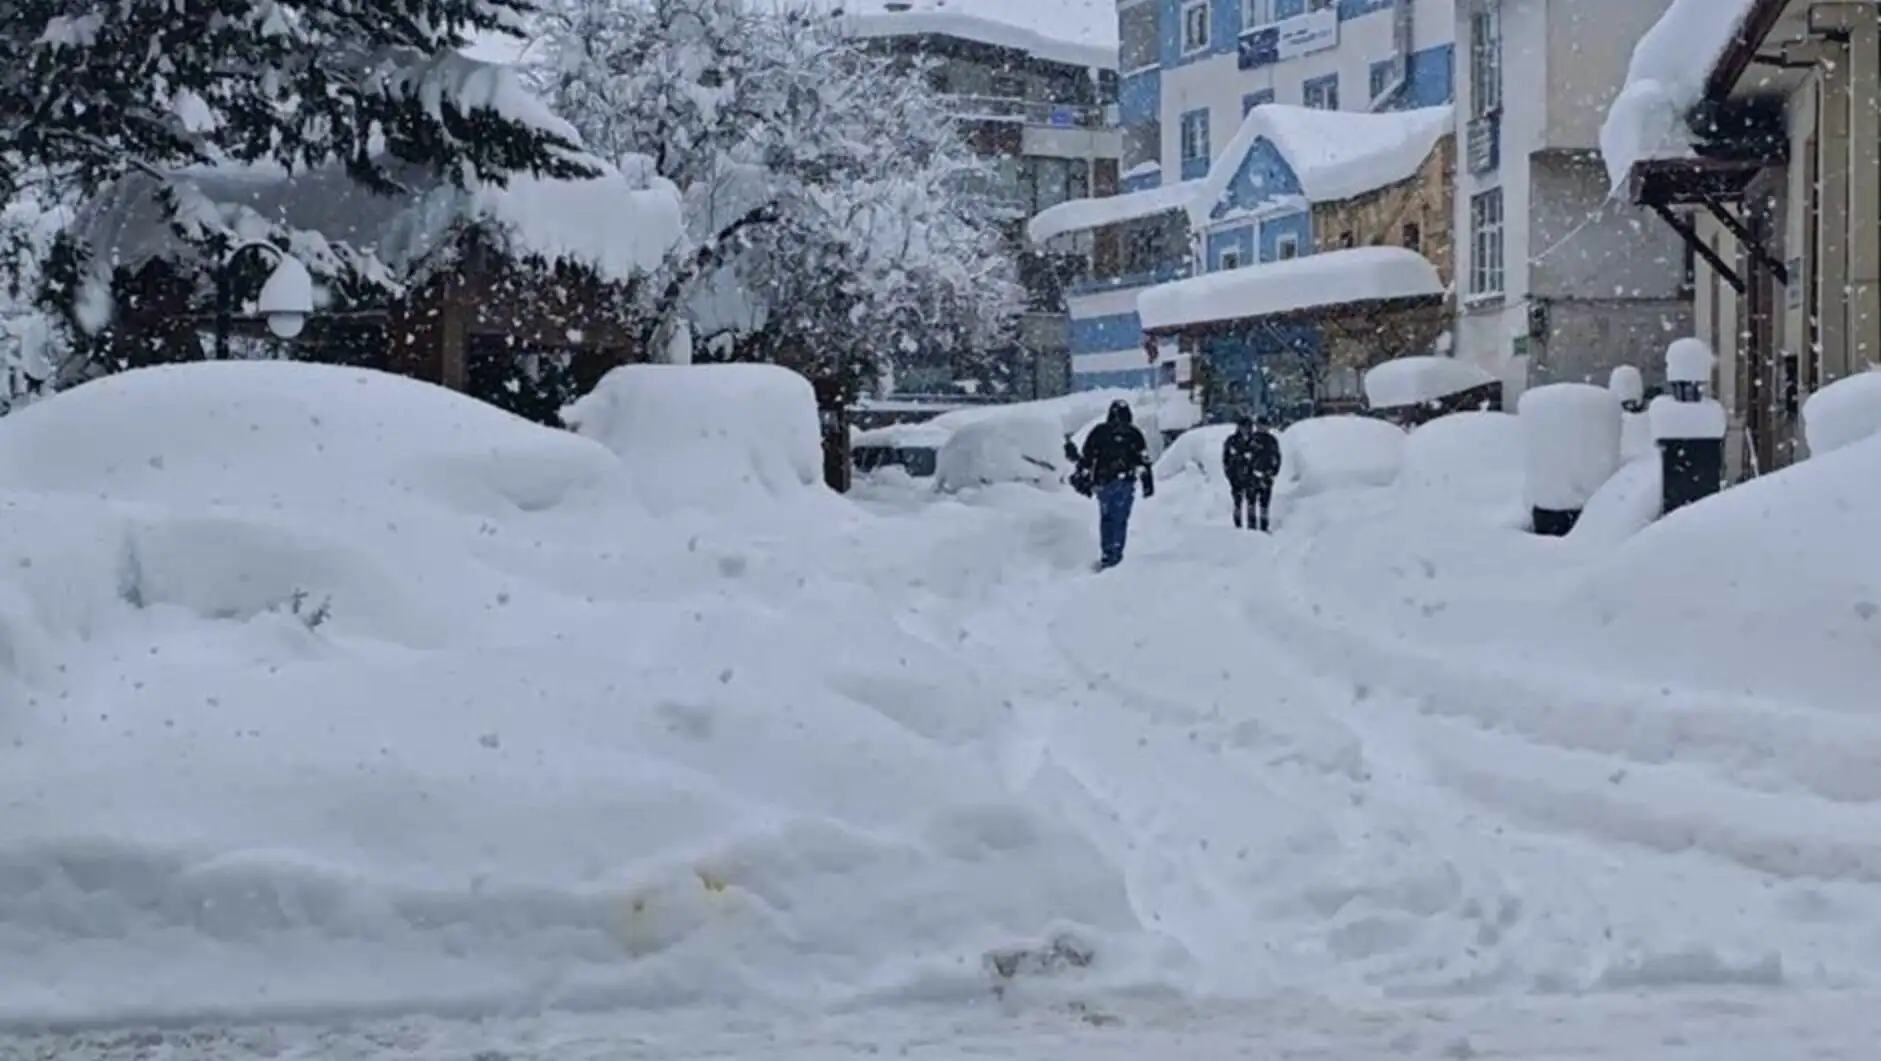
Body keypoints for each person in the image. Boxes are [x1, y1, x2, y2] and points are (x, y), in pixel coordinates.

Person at [1077, 400, 1154, 569]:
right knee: (1120, 518)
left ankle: (1107, 552)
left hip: (1103, 482)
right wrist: (1148, 484)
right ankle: (1116, 552)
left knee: (1106, 517)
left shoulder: (1099, 432)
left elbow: (1087, 456)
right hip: (1125, 481)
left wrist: (1083, 478)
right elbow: (1143, 459)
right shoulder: (1133, 433)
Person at [1221, 412, 1281, 532]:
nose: (1262, 428)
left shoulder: (1272, 440)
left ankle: (1263, 526)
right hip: (1249, 477)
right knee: (1248, 501)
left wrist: (1272, 472)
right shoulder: (1248, 440)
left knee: (1264, 503)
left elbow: (1277, 458)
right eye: (1259, 425)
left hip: (1265, 476)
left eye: (1264, 425)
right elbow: (1235, 459)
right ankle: (1248, 526)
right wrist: (1239, 472)